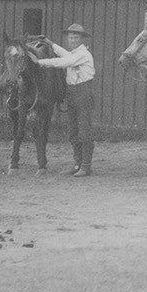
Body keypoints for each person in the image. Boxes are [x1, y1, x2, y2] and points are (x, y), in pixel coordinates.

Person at [32, 23, 98, 177]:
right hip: (72, 93)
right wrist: (50, 43)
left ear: (81, 39)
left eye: (76, 37)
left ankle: (86, 166)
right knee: (73, 132)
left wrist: (39, 62)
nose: (73, 40)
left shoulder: (83, 54)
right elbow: (65, 55)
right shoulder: (74, 54)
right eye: (70, 37)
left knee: (84, 131)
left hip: (83, 92)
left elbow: (65, 62)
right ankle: (77, 164)